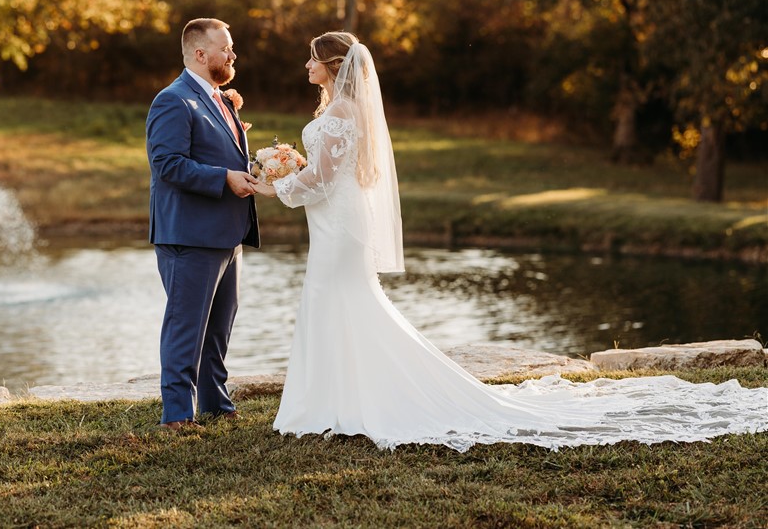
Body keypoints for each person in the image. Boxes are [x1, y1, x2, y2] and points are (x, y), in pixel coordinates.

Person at [253, 31, 767, 451]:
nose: (306, 65)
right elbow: (327, 174)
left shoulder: (343, 113)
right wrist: (291, 174)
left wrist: (273, 185)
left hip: (339, 224)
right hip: (337, 222)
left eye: (312, 59)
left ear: (334, 64)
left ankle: (335, 403)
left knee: (337, 300)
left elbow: (321, 179)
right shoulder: (342, 110)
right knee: (341, 303)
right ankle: (335, 401)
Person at [146, 18, 259, 431]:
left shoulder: (219, 98)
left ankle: (216, 402)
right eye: (225, 48)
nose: (232, 55)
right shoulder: (172, 100)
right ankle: (177, 414)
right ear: (200, 54)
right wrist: (224, 178)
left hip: (228, 233)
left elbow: (222, 152)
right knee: (185, 327)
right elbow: (167, 164)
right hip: (189, 235)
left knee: (218, 329)